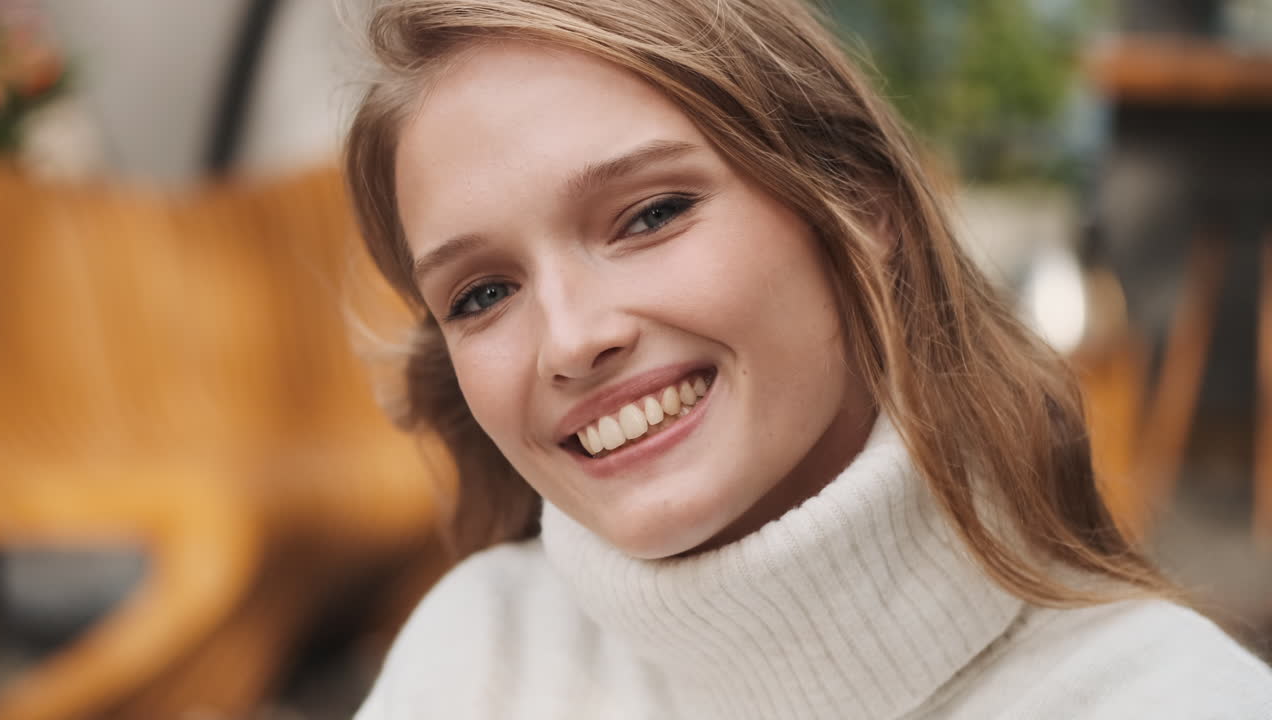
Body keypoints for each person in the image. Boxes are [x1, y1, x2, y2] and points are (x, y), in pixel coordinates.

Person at [343, 0, 1272, 717]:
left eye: (653, 213)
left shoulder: (1177, 697)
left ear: (862, 212)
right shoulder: (472, 657)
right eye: (482, 294)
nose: (573, 338)